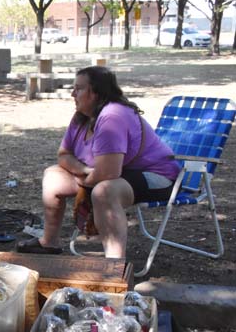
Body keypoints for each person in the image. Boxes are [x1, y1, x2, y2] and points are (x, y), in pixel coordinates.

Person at [17, 66, 180, 258]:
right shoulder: (82, 117)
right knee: (53, 176)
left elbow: (108, 173)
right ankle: (49, 242)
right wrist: (84, 170)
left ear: (95, 93)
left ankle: (114, 265)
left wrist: (84, 181)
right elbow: (63, 155)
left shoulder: (112, 117)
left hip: (157, 176)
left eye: (78, 88)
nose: (72, 93)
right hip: (106, 175)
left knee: (104, 192)